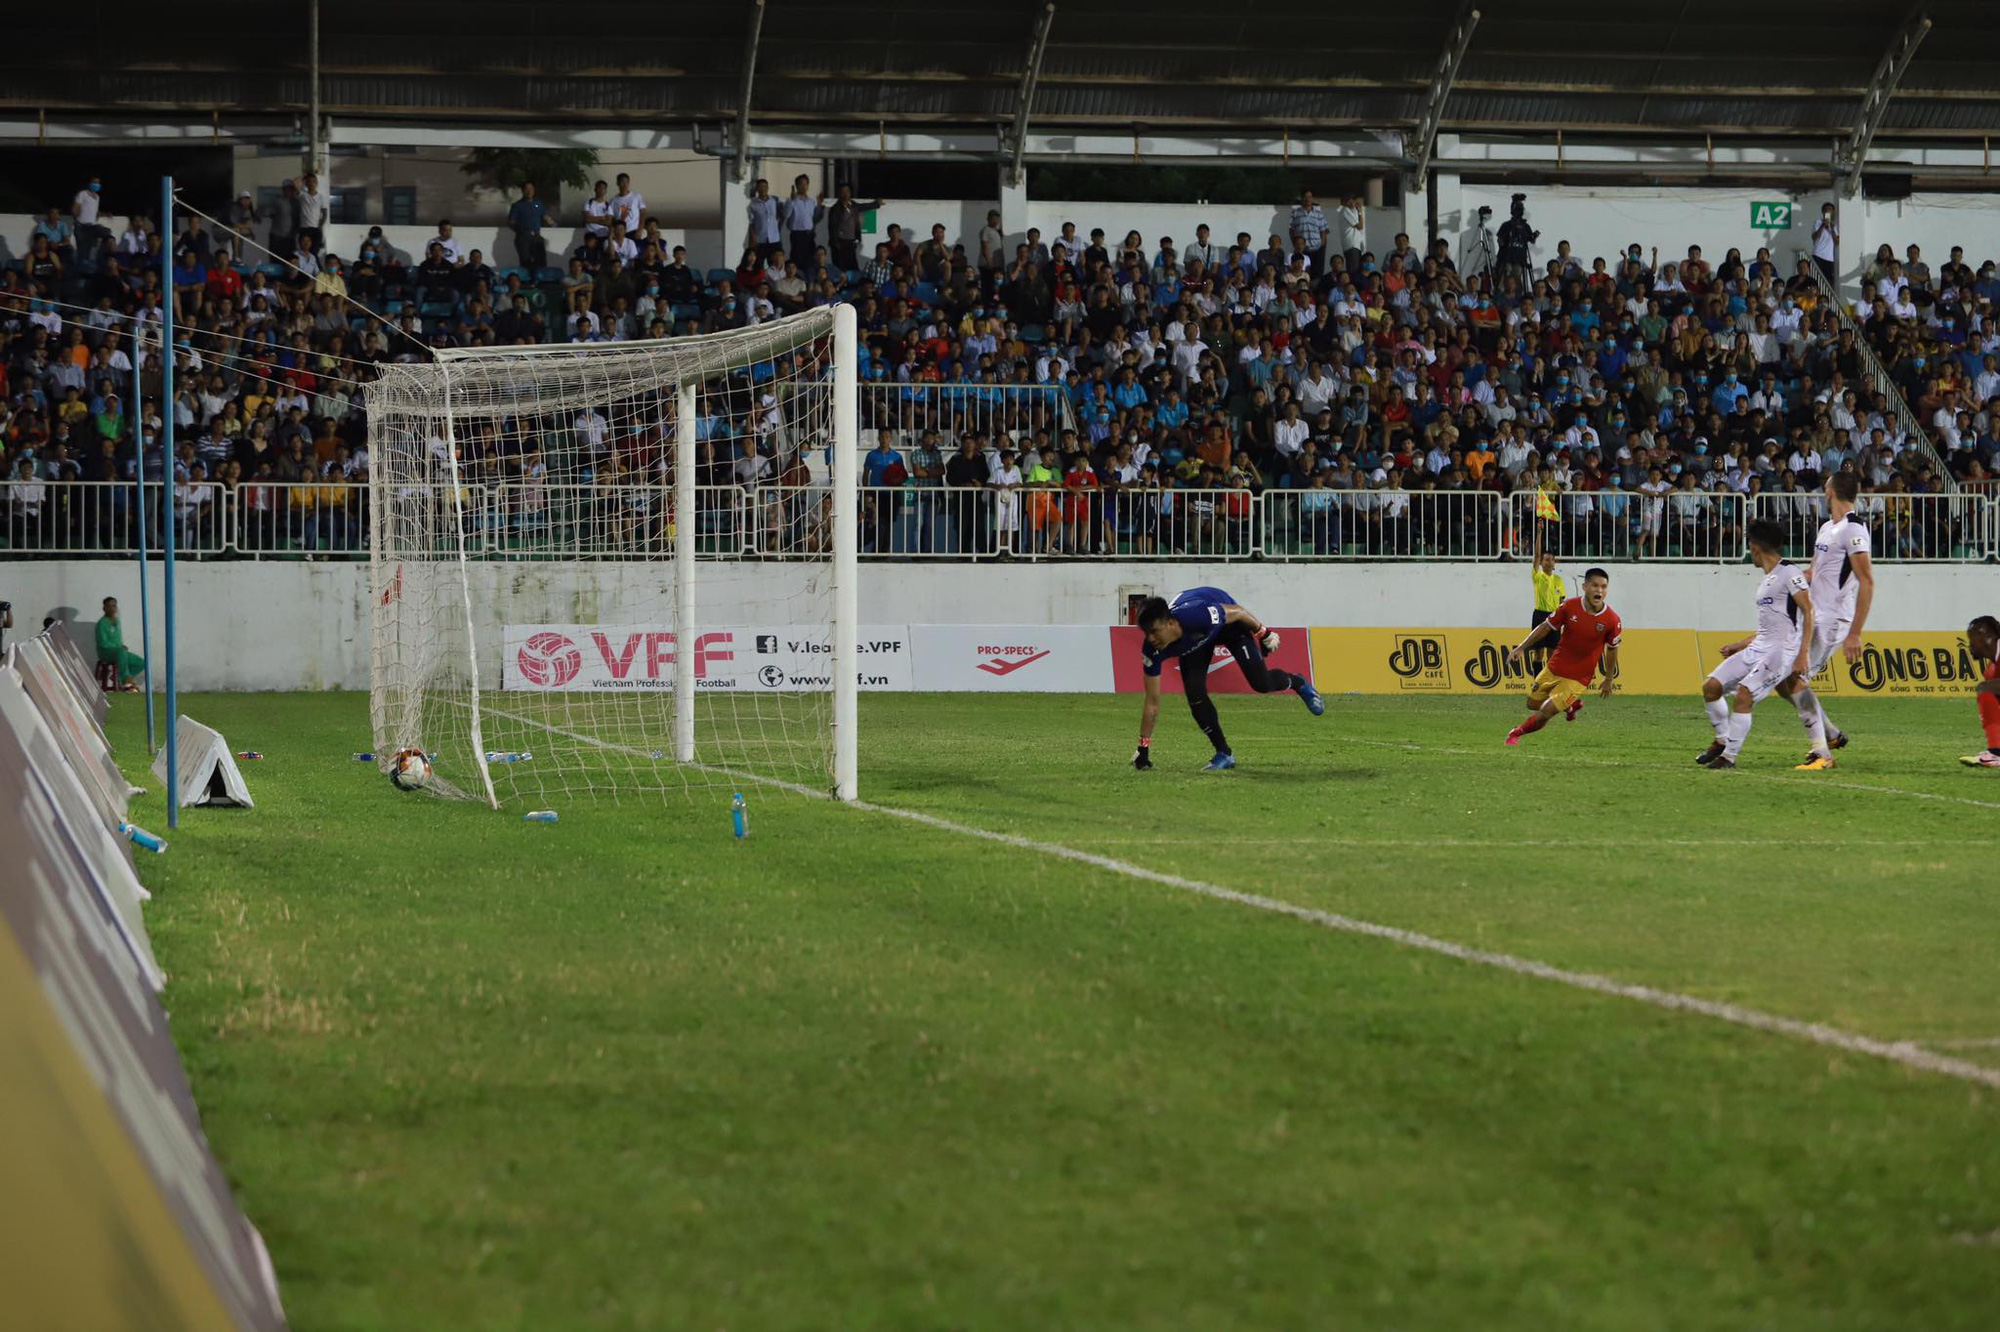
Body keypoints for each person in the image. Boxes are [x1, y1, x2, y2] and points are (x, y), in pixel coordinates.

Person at [1132, 588, 1323, 773]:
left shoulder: (1197, 615)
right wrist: (1143, 747)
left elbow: (1238, 612)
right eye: (1146, 633)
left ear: (1169, 623)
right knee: (1195, 696)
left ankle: (1298, 682)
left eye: (1154, 631)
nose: (1151, 638)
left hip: (1229, 626)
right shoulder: (1151, 650)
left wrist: (1263, 632)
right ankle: (1224, 753)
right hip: (1198, 639)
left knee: (1261, 683)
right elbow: (1152, 700)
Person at [1697, 520, 1814, 770]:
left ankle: (1728, 757)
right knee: (1711, 687)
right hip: (1759, 647)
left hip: (1782, 651)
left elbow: (1808, 610)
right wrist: (1739, 645)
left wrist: (1803, 652)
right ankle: (1722, 740)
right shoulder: (1767, 580)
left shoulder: (1790, 573)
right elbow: (1769, 628)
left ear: (1755, 546)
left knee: (1744, 695)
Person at [1794, 472, 1875, 769]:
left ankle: (1822, 754)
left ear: (1830, 492)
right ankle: (1829, 734)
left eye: (1824, 487)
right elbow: (1815, 574)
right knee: (1788, 677)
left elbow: (1867, 581)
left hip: (1832, 620)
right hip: (1815, 615)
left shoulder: (1854, 529)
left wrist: (1855, 633)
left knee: (1796, 678)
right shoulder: (1828, 527)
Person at [1504, 566, 1621, 746]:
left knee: (1545, 712)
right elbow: (1546, 626)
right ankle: (1571, 705)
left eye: (1604, 587)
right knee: (1532, 704)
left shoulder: (1612, 620)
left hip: (1578, 678)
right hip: (1554, 667)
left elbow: (1612, 649)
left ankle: (1517, 732)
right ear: (1584, 587)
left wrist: (1608, 679)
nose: (1599, 590)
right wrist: (1522, 647)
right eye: (1595, 585)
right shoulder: (1569, 606)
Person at [1961, 615, 2000, 769]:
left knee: (1986, 688)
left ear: (1987, 637)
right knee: (1990, 684)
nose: (1969, 645)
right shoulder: (1992, 670)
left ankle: (1996, 752)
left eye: (1972, 640)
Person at [1530, 518, 1564, 662]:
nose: (1549, 562)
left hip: (1554, 617)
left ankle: (1549, 684)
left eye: (1551, 559)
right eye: (1546, 559)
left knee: (1552, 655)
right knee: (1538, 654)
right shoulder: (1538, 576)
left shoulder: (1559, 580)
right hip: (1539, 616)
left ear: (1554, 562)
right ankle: (1537, 682)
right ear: (1542, 562)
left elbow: (1562, 602)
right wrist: (1539, 532)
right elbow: (1537, 555)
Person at [95, 595, 145, 691]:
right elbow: (103, 643)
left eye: (114, 606)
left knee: (141, 663)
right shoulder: (102, 623)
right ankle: (127, 682)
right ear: (104, 608)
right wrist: (119, 648)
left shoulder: (116, 621)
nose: (112, 608)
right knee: (121, 652)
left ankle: (118, 677)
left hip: (118, 652)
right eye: (108, 606)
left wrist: (121, 647)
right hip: (105, 652)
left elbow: (117, 641)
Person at [508, 181, 550, 271]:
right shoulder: (517, 205)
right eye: (526, 189)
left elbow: (545, 216)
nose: (529, 191)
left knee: (541, 261)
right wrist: (520, 231)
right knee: (525, 262)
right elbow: (511, 222)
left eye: (531, 188)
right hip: (524, 237)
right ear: (523, 191)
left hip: (536, 236)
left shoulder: (538, 203)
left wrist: (552, 223)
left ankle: (540, 282)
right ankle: (526, 283)